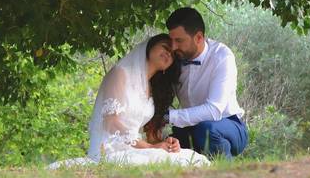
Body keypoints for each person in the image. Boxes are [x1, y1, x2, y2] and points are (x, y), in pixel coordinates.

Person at [49, 34, 209, 168]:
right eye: (165, 47)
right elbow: (111, 123)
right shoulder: (121, 73)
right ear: (149, 47)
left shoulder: (152, 88)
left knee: (190, 159)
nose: (169, 53)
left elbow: (151, 136)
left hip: (137, 147)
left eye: (173, 54)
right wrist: (150, 147)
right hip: (110, 148)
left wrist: (167, 144)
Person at [165, 7, 248, 158]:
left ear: (198, 37)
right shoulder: (173, 57)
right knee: (168, 147)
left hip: (228, 124)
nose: (173, 46)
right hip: (190, 127)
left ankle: (224, 174)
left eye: (179, 40)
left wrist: (168, 116)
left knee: (208, 130)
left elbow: (214, 110)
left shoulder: (222, 56)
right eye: (171, 40)